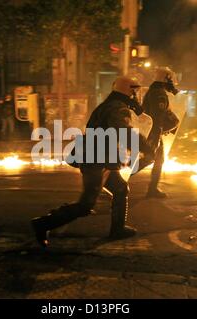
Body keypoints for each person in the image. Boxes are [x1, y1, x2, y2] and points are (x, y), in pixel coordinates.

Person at [31, 76, 154, 248]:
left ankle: (118, 229)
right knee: (86, 205)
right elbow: (124, 132)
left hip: (98, 157)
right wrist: (147, 147)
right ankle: (42, 224)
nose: (137, 95)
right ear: (130, 91)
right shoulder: (118, 109)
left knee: (120, 188)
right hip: (96, 160)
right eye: (135, 91)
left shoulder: (109, 105)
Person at [142, 67, 180, 199]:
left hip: (152, 130)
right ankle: (113, 181)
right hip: (154, 132)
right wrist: (159, 133)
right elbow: (158, 116)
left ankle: (152, 189)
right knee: (151, 159)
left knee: (153, 158)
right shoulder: (159, 93)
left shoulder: (154, 91)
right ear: (166, 79)